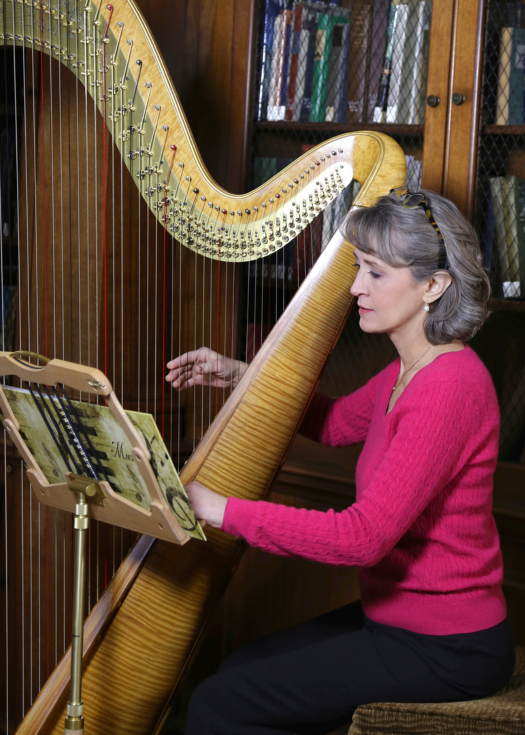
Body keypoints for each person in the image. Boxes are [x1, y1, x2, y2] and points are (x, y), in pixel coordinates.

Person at [165, 187, 516, 735]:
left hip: (447, 646)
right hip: (398, 624)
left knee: (220, 705)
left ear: (434, 285)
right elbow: (332, 424)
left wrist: (220, 511)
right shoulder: (413, 367)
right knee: (234, 672)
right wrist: (241, 375)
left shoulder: (448, 385)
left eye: (375, 272)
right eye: (359, 268)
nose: (355, 287)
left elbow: (362, 537)